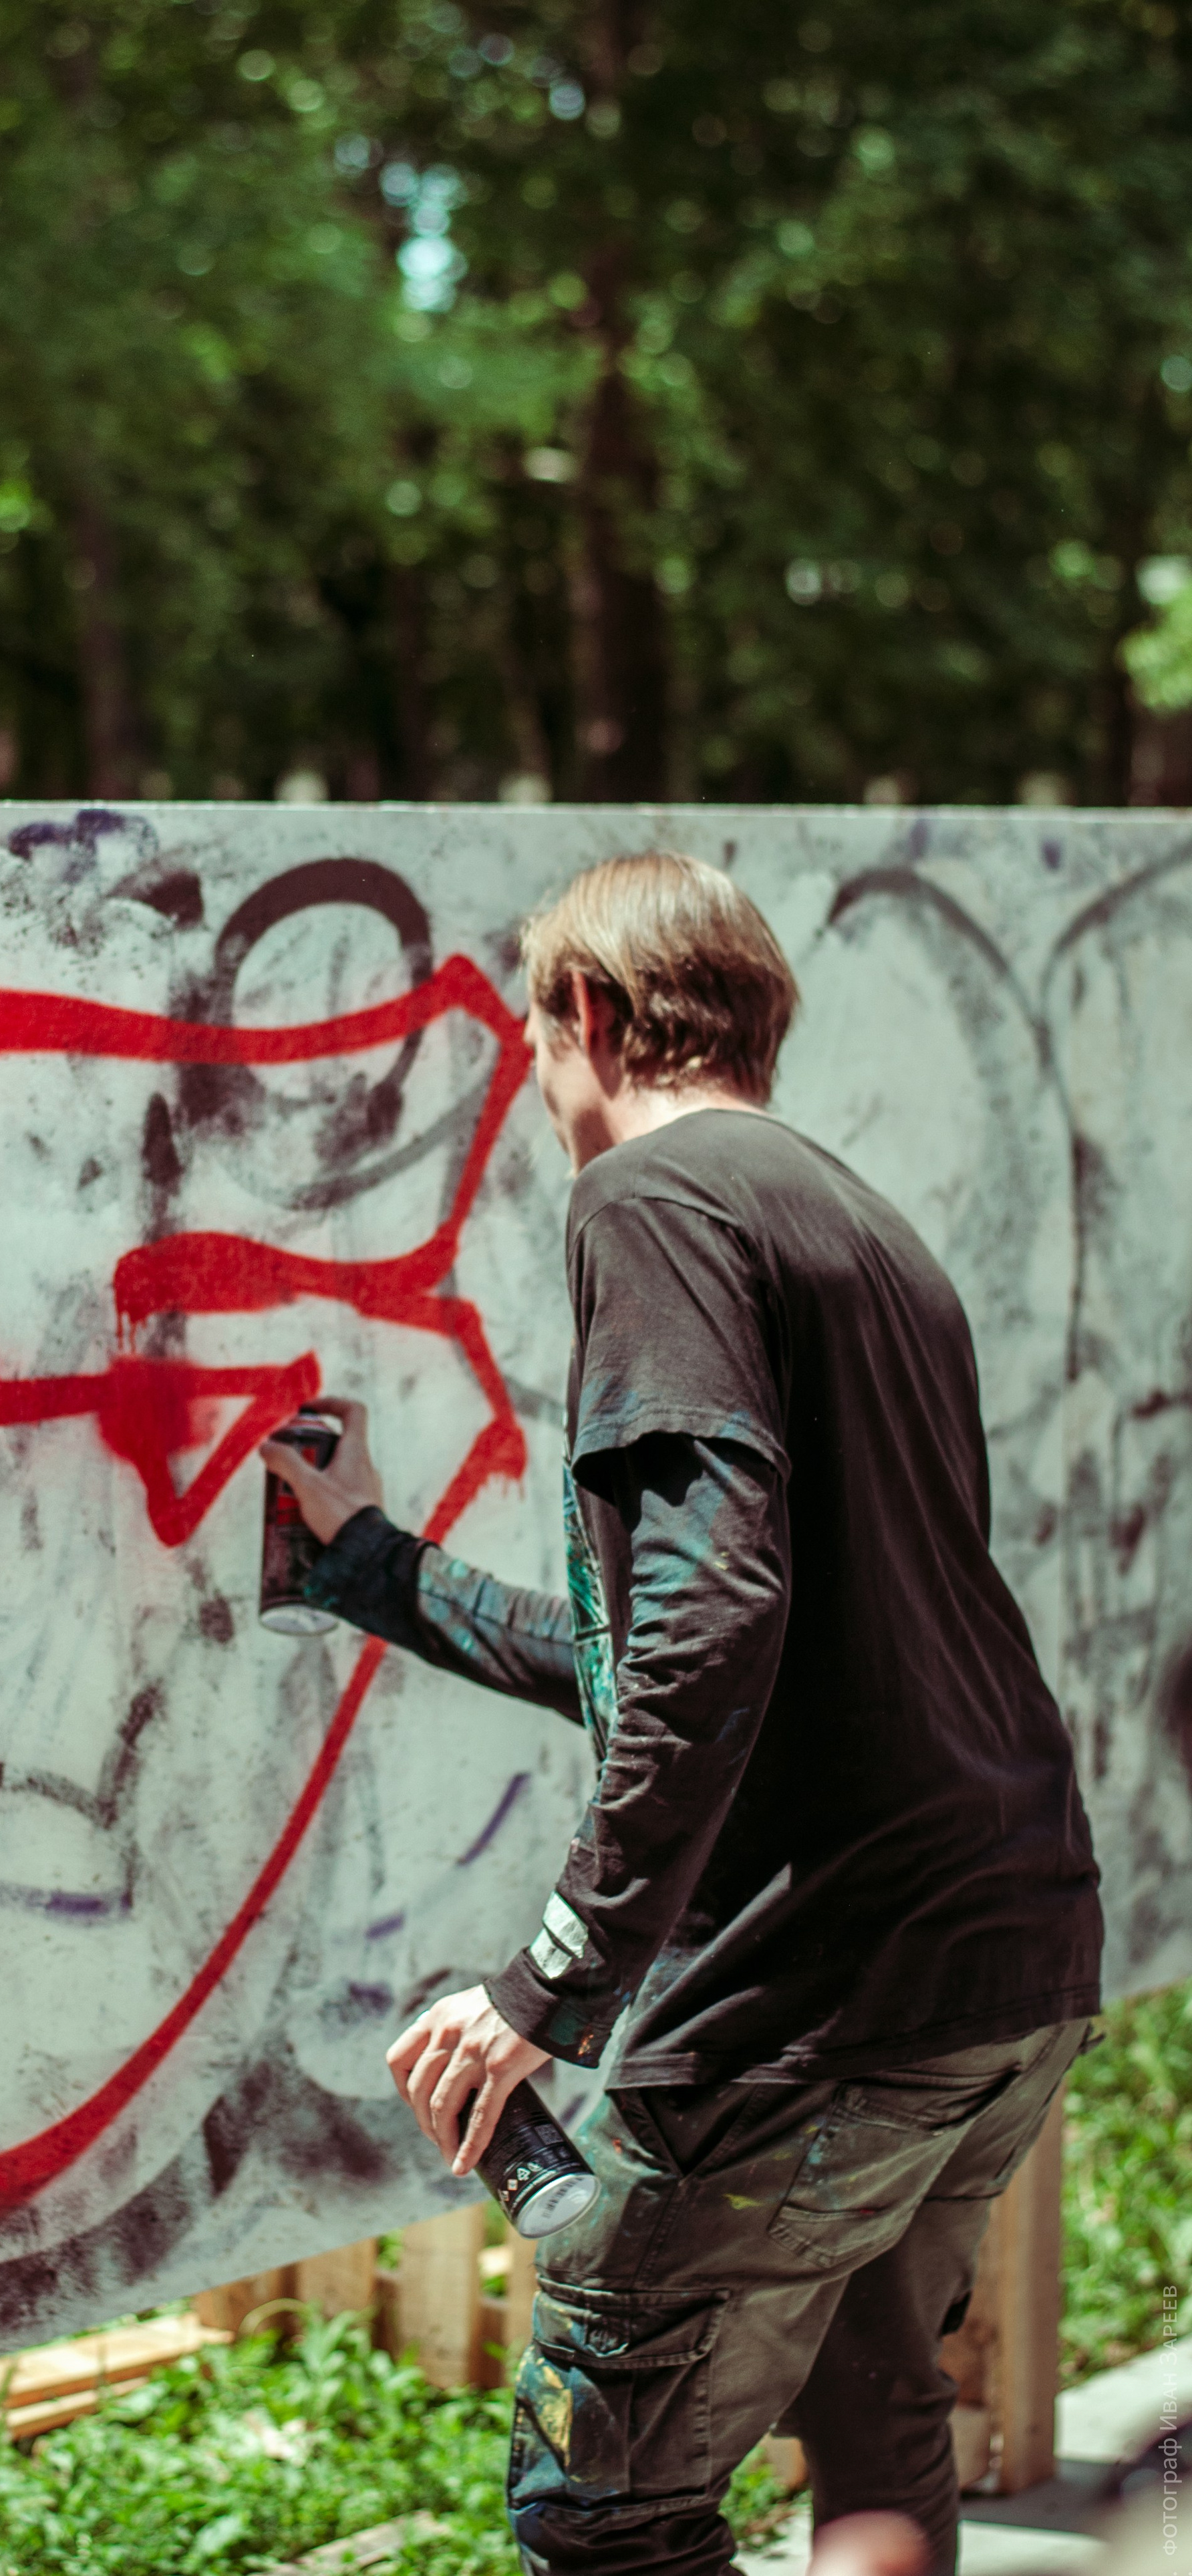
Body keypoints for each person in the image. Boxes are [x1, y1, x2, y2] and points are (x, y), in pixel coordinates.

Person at [261, 852, 1102, 2576]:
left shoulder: (651, 1205)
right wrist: (372, 1567)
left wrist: (553, 1984)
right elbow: (690, 1653)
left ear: (586, 1013)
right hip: (1006, 1964)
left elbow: (707, 1615)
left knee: (611, 2514)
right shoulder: (857, 1226)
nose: (539, 1087)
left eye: (536, 1038)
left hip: (824, 2007)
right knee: (874, 2418)